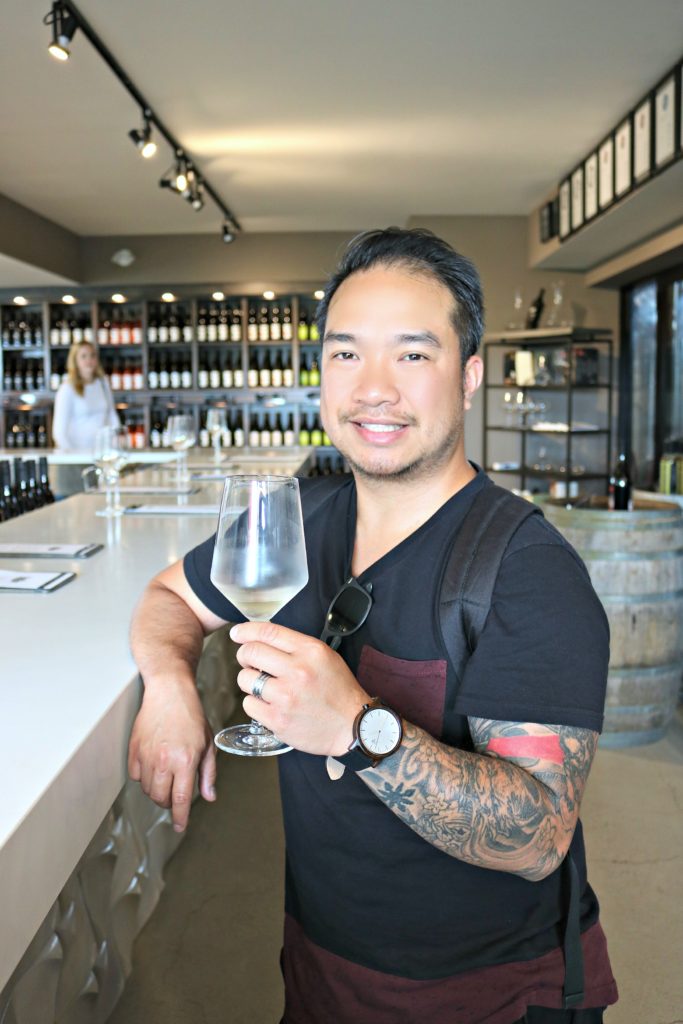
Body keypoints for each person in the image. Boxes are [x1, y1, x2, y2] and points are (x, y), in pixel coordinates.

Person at [128, 228, 618, 1024]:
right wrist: (169, 685)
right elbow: (170, 597)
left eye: (412, 355)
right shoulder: (296, 521)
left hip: (486, 997)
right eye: (346, 354)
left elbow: (536, 836)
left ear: (468, 378)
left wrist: (359, 728)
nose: (372, 389)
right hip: (317, 970)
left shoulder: (526, 570)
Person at [52, 341, 119, 450]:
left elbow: (112, 414)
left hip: (102, 452)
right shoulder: (67, 389)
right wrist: (74, 456)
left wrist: (117, 440)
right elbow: (59, 433)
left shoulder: (103, 383)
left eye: (92, 355)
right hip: (77, 455)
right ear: (75, 361)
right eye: (83, 356)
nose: (89, 360)